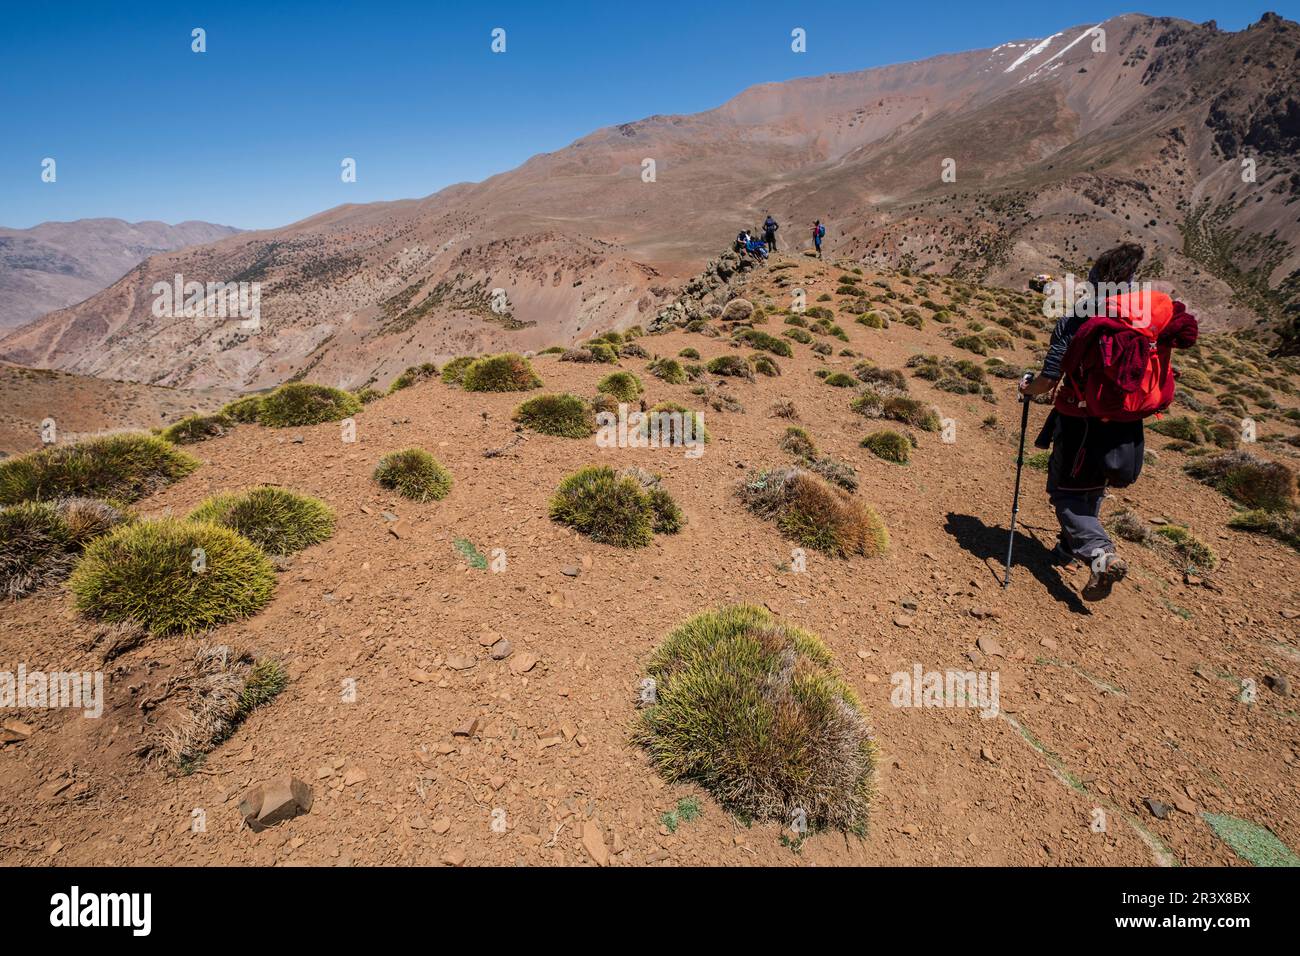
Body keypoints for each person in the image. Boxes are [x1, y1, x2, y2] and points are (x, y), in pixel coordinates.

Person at [1019, 242, 1198, 601]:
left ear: (1094, 279)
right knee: (1095, 485)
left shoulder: (1080, 316)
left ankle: (1100, 555)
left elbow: (1049, 378)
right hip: (1128, 419)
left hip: (1082, 421)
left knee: (1067, 494)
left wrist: (1028, 388)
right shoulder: (1147, 317)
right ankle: (1066, 550)